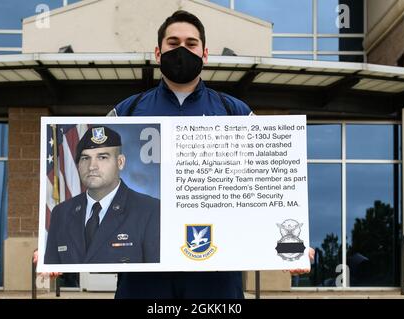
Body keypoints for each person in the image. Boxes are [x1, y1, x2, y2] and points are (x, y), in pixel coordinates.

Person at [107, 10, 312, 299]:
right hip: (144, 270)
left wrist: (291, 242)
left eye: (190, 44)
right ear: (157, 52)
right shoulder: (126, 111)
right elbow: (95, 177)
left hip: (216, 271)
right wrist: (56, 245)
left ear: (204, 53)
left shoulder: (235, 111)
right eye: (173, 42)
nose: (181, 49)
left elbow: (270, 180)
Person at [44, 125, 160, 264]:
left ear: (120, 162)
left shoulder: (150, 210)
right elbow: (53, 266)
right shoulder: (61, 213)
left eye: (102, 157)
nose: (92, 166)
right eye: (85, 158)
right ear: (78, 165)